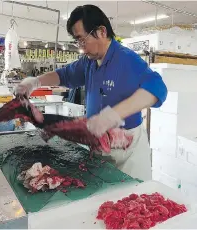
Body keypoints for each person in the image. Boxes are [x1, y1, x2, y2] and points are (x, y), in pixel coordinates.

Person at [15, 5, 167, 181]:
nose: (81, 48)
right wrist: (35, 82)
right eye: (77, 42)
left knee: (131, 200)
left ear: (101, 31)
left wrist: (113, 115)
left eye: (82, 40)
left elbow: (158, 88)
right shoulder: (89, 62)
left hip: (128, 151)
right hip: (99, 146)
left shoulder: (127, 59)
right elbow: (63, 75)